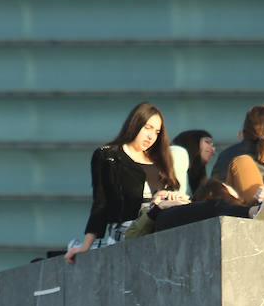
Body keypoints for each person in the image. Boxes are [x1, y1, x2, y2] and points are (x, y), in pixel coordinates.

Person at [66, 102, 184, 264]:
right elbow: (101, 204)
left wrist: (166, 197)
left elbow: (172, 193)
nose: (151, 136)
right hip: (128, 236)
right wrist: (85, 246)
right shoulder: (108, 156)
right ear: (135, 123)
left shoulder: (161, 159)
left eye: (156, 132)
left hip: (160, 234)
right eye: (147, 128)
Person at [172, 129, 215, 195]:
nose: (213, 149)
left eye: (212, 145)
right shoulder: (176, 157)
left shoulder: (199, 176)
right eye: (207, 142)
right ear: (192, 143)